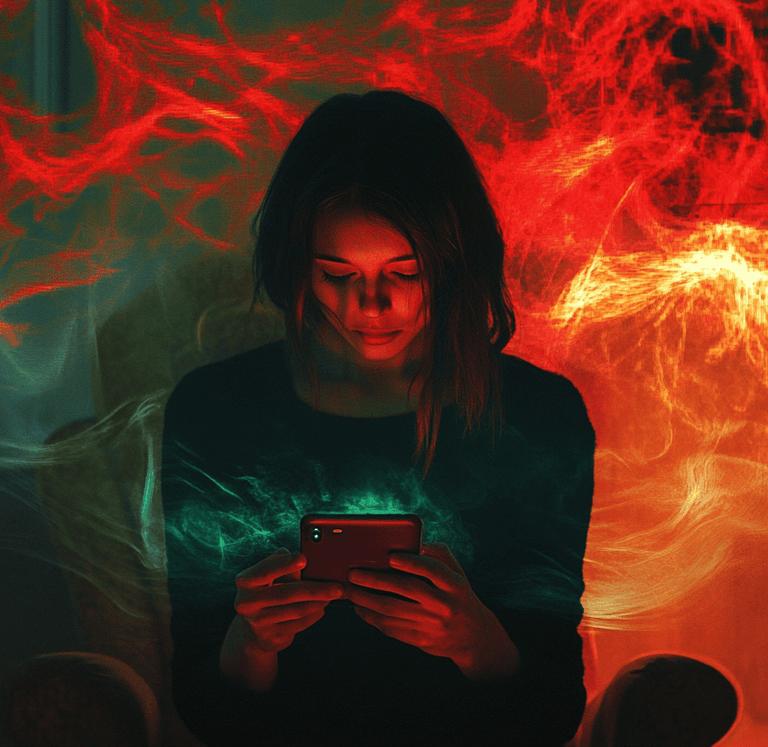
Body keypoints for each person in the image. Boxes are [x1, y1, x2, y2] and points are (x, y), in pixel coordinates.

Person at [161, 90, 596, 746]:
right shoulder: (215, 412)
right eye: (338, 272)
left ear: (453, 264)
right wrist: (248, 645)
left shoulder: (538, 418)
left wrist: (477, 641)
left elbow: (552, 708)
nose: (371, 304)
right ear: (296, 264)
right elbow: (202, 703)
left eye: (406, 270)